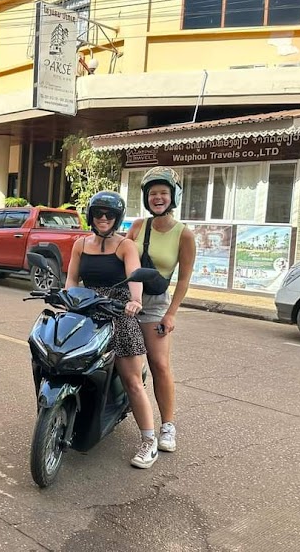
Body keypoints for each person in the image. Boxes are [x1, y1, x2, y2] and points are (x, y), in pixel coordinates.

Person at [64, 191, 158, 469]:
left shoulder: (125, 246)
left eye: (109, 214)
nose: (103, 218)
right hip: (87, 310)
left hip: (119, 312)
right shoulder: (80, 244)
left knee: (132, 382)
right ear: (91, 216)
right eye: (98, 213)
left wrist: (135, 301)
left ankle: (149, 441)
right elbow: (71, 278)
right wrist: (69, 297)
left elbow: (135, 277)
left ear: (116, 218)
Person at [126, 167, 196, 453]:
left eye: (163, 193)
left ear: (173, 197)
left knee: (160, 364)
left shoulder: (184, 234)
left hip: (155, 304)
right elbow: (121, 256)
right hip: (128, 299)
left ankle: (167, 425)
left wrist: (171, 313)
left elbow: (184, 278)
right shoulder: (137, 226)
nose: (158, 198)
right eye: (153, 193)